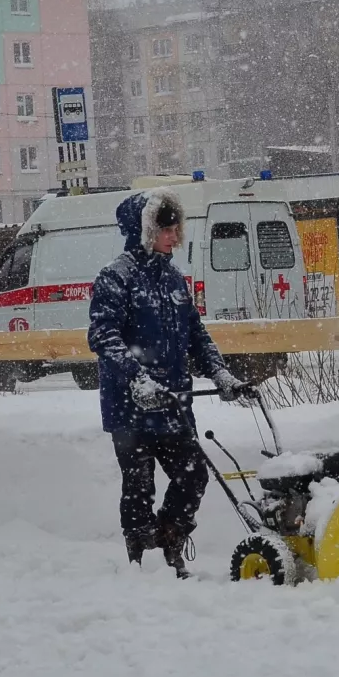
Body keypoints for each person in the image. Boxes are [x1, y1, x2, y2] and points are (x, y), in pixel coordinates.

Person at [88, 187, 248, 577]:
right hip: (132, 407)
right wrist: (136, 377)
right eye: (168, 229)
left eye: (178, 228)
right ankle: (139, 559)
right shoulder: (116, 278)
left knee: (194, 473)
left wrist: (219, 372)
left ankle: (170, 538)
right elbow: (102, 336)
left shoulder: (174, 280)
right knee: (139, 485)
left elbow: (196, 334)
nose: (176, 237)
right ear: (145, 231)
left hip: (174, 403)